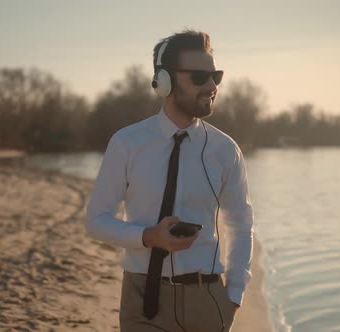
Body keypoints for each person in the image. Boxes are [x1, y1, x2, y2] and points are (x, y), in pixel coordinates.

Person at [85, 30, 254, 332]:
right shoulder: (127, 143)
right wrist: (149, 237)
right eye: (201, 76)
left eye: (216, 75)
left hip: (209, 300)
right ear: (165, 81)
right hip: (144, 299)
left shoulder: (226, 150)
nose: (213, 85)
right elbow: (96, 220)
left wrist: (234, 295)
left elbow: (240, 224)